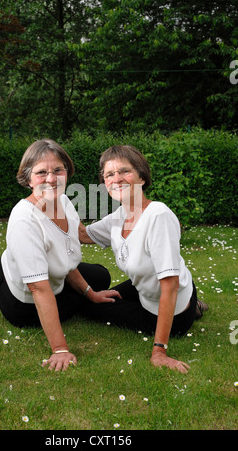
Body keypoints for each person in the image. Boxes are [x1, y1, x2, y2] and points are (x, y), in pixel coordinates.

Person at [0, 139, 121, 371]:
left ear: (67, 172)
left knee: (100, 277)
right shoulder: (24, 219)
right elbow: (39, 288)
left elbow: (74, 242)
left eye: (58, 170)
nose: (51, 179)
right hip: (23, 300)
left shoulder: (63, 201)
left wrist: (91, 293)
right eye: (41, 172)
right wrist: (60, 349)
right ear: (28, 178)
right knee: (79, 304)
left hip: (46, 275)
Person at [79, 144, 208, 374]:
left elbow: (170, 285)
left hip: (169, 306)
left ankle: (192, 309)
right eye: (109, 174)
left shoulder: (158, 215)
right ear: (104, 183)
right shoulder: (119, 216)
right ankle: (195, 306)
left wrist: (159, 351)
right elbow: (82, 234)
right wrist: (54, 203)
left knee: (90, 309)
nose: (117, 179)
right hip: (144, 287)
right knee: (95, 298)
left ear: (141, 176)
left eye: (124, 171)